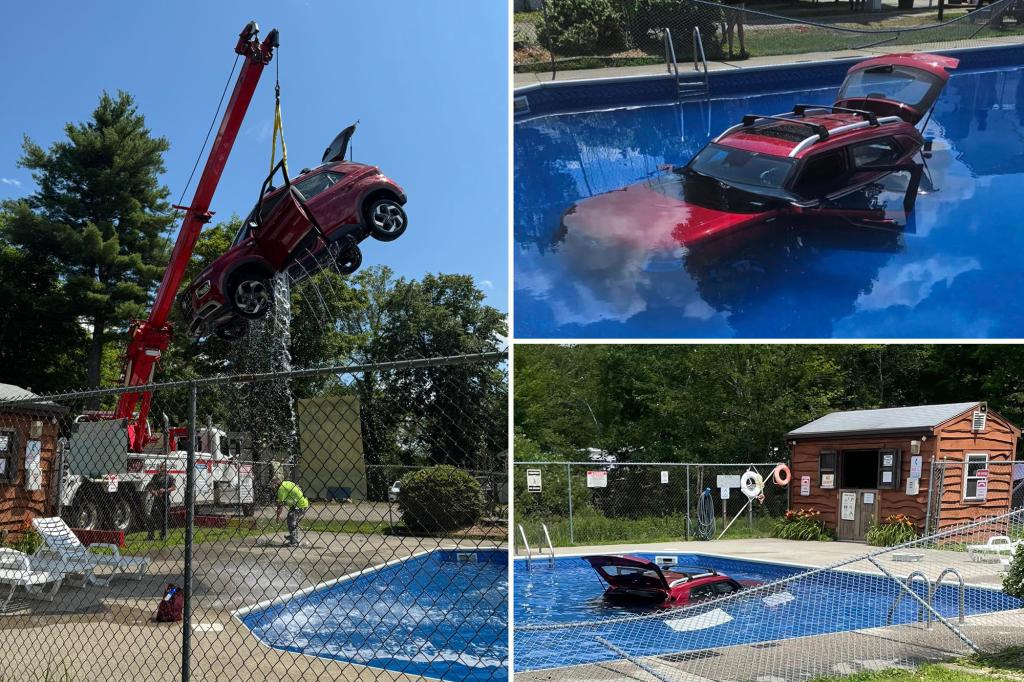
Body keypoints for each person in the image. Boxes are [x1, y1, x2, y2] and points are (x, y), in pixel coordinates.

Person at [274, 477, 309, 547]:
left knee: (291, 520)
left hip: (299, 505)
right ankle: (293, 537)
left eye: (272, 485)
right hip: (300, 503)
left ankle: (294, 541)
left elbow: (280, 506)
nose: (272, 488)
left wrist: (277, 516)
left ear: (275, 485)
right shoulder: (286, 483)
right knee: (291, 520)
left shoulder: (281, 489)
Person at [146, 461, 176, 541]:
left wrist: (165, 490)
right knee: (152, 517)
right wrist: (154, 492)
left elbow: (173, 487)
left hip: (166, 500)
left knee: (165, 518)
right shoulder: (155, 477)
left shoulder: (170, 477)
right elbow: (149, 487)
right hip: (157, 500)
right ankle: (151, 535)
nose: (162, 469)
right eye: (160, 467)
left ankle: (163, 535)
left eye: (163, 467)